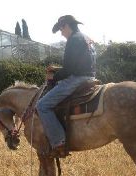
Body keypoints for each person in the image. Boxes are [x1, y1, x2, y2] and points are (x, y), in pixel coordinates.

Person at [36, 15, 96, 157]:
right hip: (90, 76)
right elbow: (77, 64)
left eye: (61, 30)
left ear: (66, 26)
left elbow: (69, 70)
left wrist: (53, 77)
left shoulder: (73, 40)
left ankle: (59, 142)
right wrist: (57, 69)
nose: (61, 34)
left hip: (78, 79)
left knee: (42, 105)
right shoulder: (86, 38)